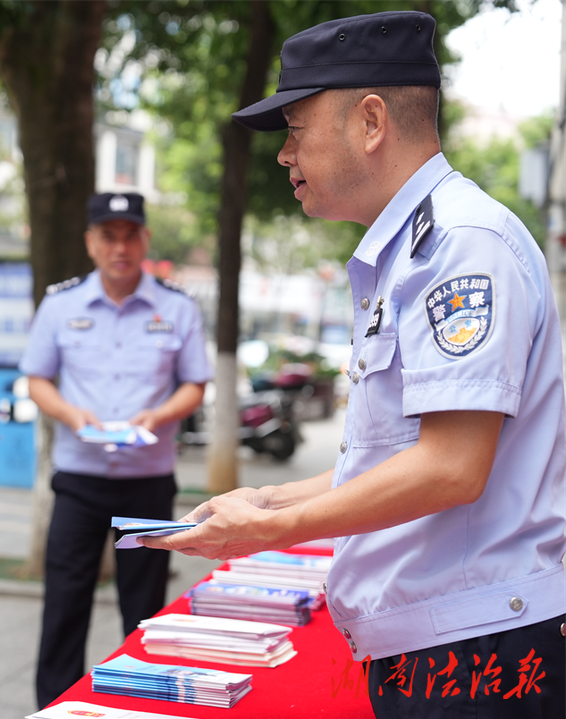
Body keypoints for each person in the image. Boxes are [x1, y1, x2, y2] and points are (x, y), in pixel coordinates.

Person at [145, 11, 565, 718]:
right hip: (443, 638)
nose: (284, 155)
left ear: (371, 121)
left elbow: (451, 465)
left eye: (296, 129)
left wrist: (270, 529)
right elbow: (399, 453)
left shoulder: (458, 245)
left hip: (476, 648)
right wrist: (273, 498)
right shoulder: (414, 250)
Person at [20, 192, 213, 707]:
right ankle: (55, 709)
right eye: (109, 235)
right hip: (78, 483)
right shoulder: (61, 305)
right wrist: (70, 414)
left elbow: (195, 384)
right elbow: (36, 379)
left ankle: (141, 709)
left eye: (131, 234)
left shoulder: (177, 306)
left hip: (147, 485)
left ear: (146, 239)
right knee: (64, 606)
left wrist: (160, 414)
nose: (120, 246)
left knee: (144, 611)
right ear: (90, 242)